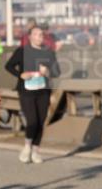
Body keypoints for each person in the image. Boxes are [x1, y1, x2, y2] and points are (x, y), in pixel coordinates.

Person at [4, 25, 60, 164]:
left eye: (41, 35)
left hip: (43, 91)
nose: (39, 37)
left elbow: (57, 71)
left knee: (41, 121)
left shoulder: (48, 52)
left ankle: (35, 151)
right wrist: (21, 74)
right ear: (30, 37)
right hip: (26, 91)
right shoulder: (22, 51)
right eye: (36, 34)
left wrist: (47, 72)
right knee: (32, 120)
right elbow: (9, 66)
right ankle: (27, 146)